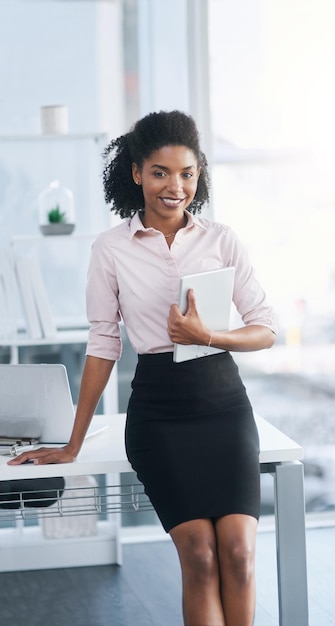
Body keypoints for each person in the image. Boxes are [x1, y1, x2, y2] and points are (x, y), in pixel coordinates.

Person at [9, 110, 277, 626]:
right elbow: (103, 343)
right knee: (199, 555)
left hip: (224, 404)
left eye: (186, 174)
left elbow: (264, 327)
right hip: (159, 413)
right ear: (136, 173)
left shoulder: (222, 239)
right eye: (160, 172)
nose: (174, 187)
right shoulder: (110, 249)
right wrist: (72, 443)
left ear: (198, 174)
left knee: (240, 556)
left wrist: (209, 336)